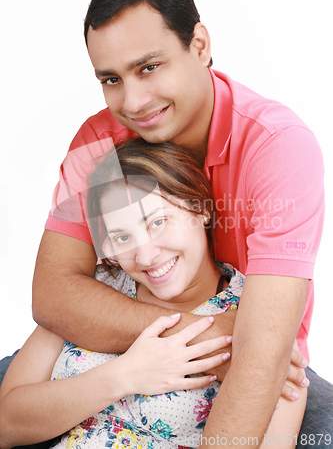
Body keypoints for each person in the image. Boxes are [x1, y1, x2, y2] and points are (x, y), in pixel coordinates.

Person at [0, 0, 331, 448]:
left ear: (199, 46)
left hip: (251, 365)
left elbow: (263, 350)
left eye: (148, 67)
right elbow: (53, 296)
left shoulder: (278, 148)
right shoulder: (98, 142)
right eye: (111, 79)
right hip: (146, 346)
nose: (132, 101)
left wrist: (229, 350)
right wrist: (197, 341)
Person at [0, 139, 307, 449]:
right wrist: (123, 376)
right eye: (122, 237)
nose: (145, 256)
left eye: (158, 222)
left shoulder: (255, 318)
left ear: (200, 208)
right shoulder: (93, 292)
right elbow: (6, 424)